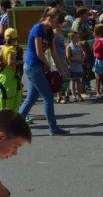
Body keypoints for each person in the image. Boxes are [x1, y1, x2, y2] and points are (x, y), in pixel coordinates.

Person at [17, 7, 69, 136]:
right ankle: (53, 128)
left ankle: (14, 127)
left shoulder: (50, 32)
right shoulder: (38, 28)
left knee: (31, 98)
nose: (58, 26)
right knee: (48, 97)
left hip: (37, 67)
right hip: (33, 66)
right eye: (57, 22)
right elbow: (39, 53)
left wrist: (61, 69)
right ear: (49, 19)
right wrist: (48, 65)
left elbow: (54, 53)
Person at [0, 28, 23, 112]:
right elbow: (10, 63)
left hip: (2, 75)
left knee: (3, 100)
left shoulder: (4, 48)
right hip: (8, 77)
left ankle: (2, 120)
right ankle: (6, 120)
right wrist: (20, 61)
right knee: (9, 101)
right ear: (15, 38)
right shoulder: (11, 49)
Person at [66, 30, 86, 102]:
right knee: (73, 81)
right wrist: (78, 59)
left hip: (79, 66)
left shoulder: (78, 46)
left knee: (79, 81)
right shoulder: (69, 47)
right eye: (76, 37)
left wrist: (83, 56)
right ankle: (74, 95)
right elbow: (68, 57)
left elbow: (82, 53)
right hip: (73, 66)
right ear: (71, 38)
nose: (77, 39)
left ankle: (79, 95)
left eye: (78, 37)